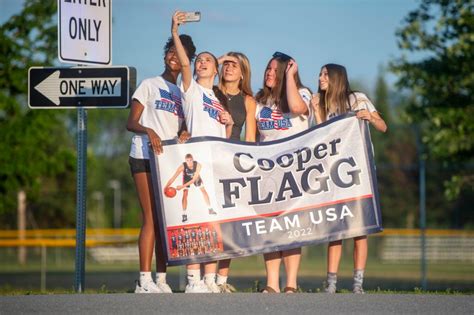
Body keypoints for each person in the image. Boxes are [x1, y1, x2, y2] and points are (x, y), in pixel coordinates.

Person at [126, 32, 196, 293]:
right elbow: (130, 122)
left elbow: (184, 128)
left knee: (166, 220)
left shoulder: (182, 93)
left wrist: (184, 133)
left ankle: (161, 280)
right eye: (170, 51)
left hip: (167, 162)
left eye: (179, 54)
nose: (173, 56)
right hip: (143, 155)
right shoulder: (149, 84)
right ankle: (143, 280)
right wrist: (149, 131)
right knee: (151, 218)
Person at [172, 10, 234, 293]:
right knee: (195, 222)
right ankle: (193, 279)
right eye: (200, 61)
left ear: (216, 69)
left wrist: (230, 122)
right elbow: (185, 64)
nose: (201, 63)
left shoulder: (216, 98)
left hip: (216, 161)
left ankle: (210, 279)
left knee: (213, 221)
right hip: (197, 159)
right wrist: (175, 31)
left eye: (207, 60)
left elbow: (226, 136)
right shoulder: (192, 90)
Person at [310, 63, 387, 294]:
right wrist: (315, 110)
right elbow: (322, 137)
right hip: (335, 173)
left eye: (325, 74)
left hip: (359, 172)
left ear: (336, 77)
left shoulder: (357, 98)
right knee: (336, 228)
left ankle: (358, 283)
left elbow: (383, 126)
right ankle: (331, 283)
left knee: (358, 228)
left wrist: (370, 117)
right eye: (321, 74)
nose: (321, 77)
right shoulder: (322, 102)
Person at [255, 51, 312, 293]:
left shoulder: (302, 93)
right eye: (268, 69)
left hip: (294, 172)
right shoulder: (260, 101)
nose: (269, 73)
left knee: (290, 227)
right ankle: (271, 284)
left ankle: (291, 284)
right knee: (270, 228)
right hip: (267, 171)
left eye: (275, 70)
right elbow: (258, 136)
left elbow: (298, 108)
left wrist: (290, 76)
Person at [214, 52, 257, 293]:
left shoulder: (248, 100)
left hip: (232, 164)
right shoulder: (209, 90)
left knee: (228, 223)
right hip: (207, 159)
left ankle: (221, 280)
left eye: (234, 65)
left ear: (243, 73)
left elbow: (250, 139)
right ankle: (202, 278)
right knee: (208, 219)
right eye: (226, 64)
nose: (229, 68)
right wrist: (218, 60)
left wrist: (248, 171)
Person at [164, 153, 216, 223]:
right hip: (186, 178)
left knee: (203, 191)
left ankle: (210, 209)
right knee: (185, 194)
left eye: (191, 160)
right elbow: (173, 178)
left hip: (195, 178)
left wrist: (182, 186)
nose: (189, 162)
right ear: (185, 161)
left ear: (193, 160)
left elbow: (194, 180)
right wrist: (165, 187)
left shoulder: (198, 165)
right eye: (187, 160)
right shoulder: (182, 167)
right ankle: (184, 214)